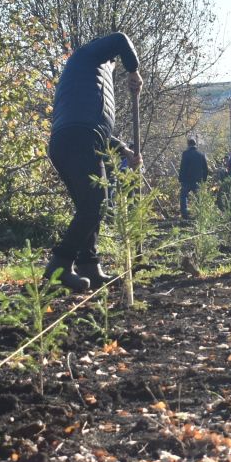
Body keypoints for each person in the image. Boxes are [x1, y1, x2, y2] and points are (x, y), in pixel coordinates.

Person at [44, 31, 141, 290]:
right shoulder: (86, 57)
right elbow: (121, 39)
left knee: (90, 206)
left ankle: (89, 265)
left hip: (77, 139)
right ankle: (59, 265)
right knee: (96, 204)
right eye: (114, 60)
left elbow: (97, 127)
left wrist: (126, 152)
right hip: (77, 139)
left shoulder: (90, 80)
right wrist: (134, 71)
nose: (114, 63)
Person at [178, 134, 209, 219]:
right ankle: (200, 214)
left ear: (188, 145)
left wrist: (180, 178)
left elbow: (182, 167)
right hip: (197, 180)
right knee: (198, 198)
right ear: (195, 144)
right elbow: (206, 169)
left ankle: (185, 214)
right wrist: (204, 180)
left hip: (186, 180)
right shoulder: (201, 155)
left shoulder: (185, 154)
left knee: (183, 196)